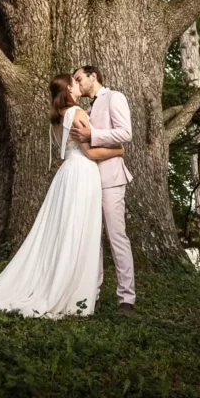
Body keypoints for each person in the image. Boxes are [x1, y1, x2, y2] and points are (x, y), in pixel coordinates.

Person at [0, 73, 125, 319]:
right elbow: (91, 153)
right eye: (75, 82)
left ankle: (75, 284)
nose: (79, 84)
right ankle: (72, 290)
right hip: (82, 173)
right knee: (78, 229)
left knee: (66, 230)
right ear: (70, 90)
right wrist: (119, 149)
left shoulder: (55, 119)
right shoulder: (78, 113)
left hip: (66, 174)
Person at [71, 65, 136, 315]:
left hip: (111, 177)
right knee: (92, 240)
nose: (77, 83)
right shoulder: (86, 109)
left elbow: (125, 133)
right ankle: (93, 294)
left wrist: (92, 133)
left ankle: (126, 299)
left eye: (79, 78)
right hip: (89, 180)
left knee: (117, 237)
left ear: (92, 76)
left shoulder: (114, 97)